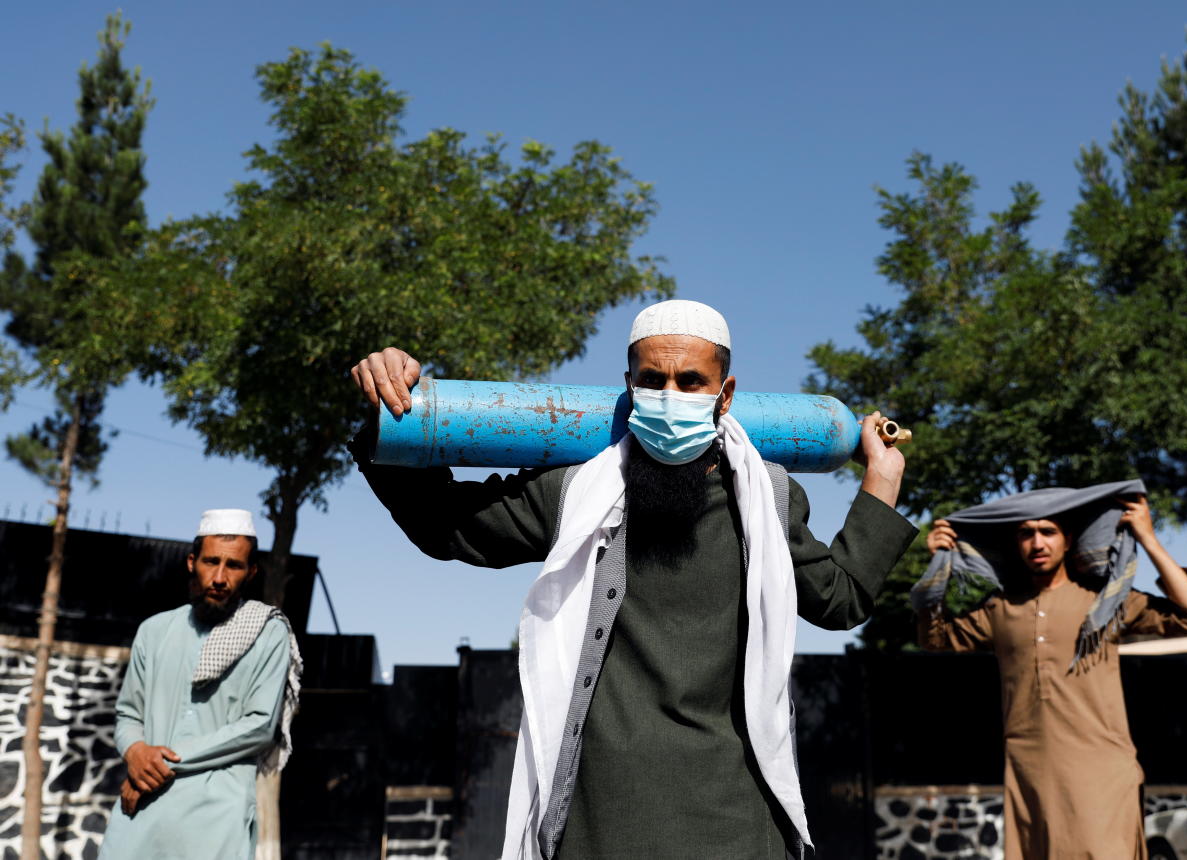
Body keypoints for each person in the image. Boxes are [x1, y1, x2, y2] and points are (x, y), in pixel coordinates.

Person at [349, 299, 917, 859]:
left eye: (691, 381)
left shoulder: (766, 500)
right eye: (652, 379)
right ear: (628, 384)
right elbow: (448, 527)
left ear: (726, 394)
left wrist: (883, 480)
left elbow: (839, 598)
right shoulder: (578, 492)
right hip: (601, 818)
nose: (670, 397)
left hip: (734, 817)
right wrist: (387, 407)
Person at [914, 481, 1187, 859]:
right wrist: (938, 564)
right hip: (1029, 773)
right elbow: (935, 638)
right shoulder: (1001, 609)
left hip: (1103, 772)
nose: (1037, 543)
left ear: (1068, 539)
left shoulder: (1104, 602)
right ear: (1016, 543)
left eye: (1047, 532)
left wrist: (1147, 538)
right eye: (1026, 534)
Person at [100, 509, 302, 860]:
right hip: (143, 807)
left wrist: (156, 765)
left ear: (251, 572)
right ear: (192, 562)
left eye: (234, 566)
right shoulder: (154, 631)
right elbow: (128, 715)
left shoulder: (268, 633)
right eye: (211, 562)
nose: (220, 577)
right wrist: (134, 752)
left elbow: (259, 726)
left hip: (216, 817)